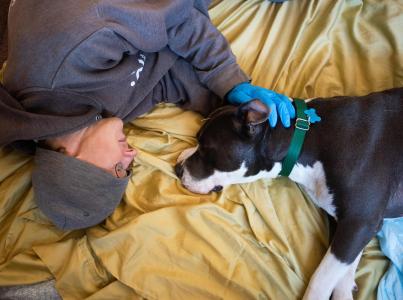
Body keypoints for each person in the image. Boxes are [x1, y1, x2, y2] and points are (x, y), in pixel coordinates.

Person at [0, 0, 294, 230]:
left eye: (118, 169)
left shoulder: (75, 49)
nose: (132, 155)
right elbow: (162, 81)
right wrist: (234, 115)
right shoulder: (94, 121)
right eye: (128, 170)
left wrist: (230, 79)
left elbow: (176, 18)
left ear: (70, 158)